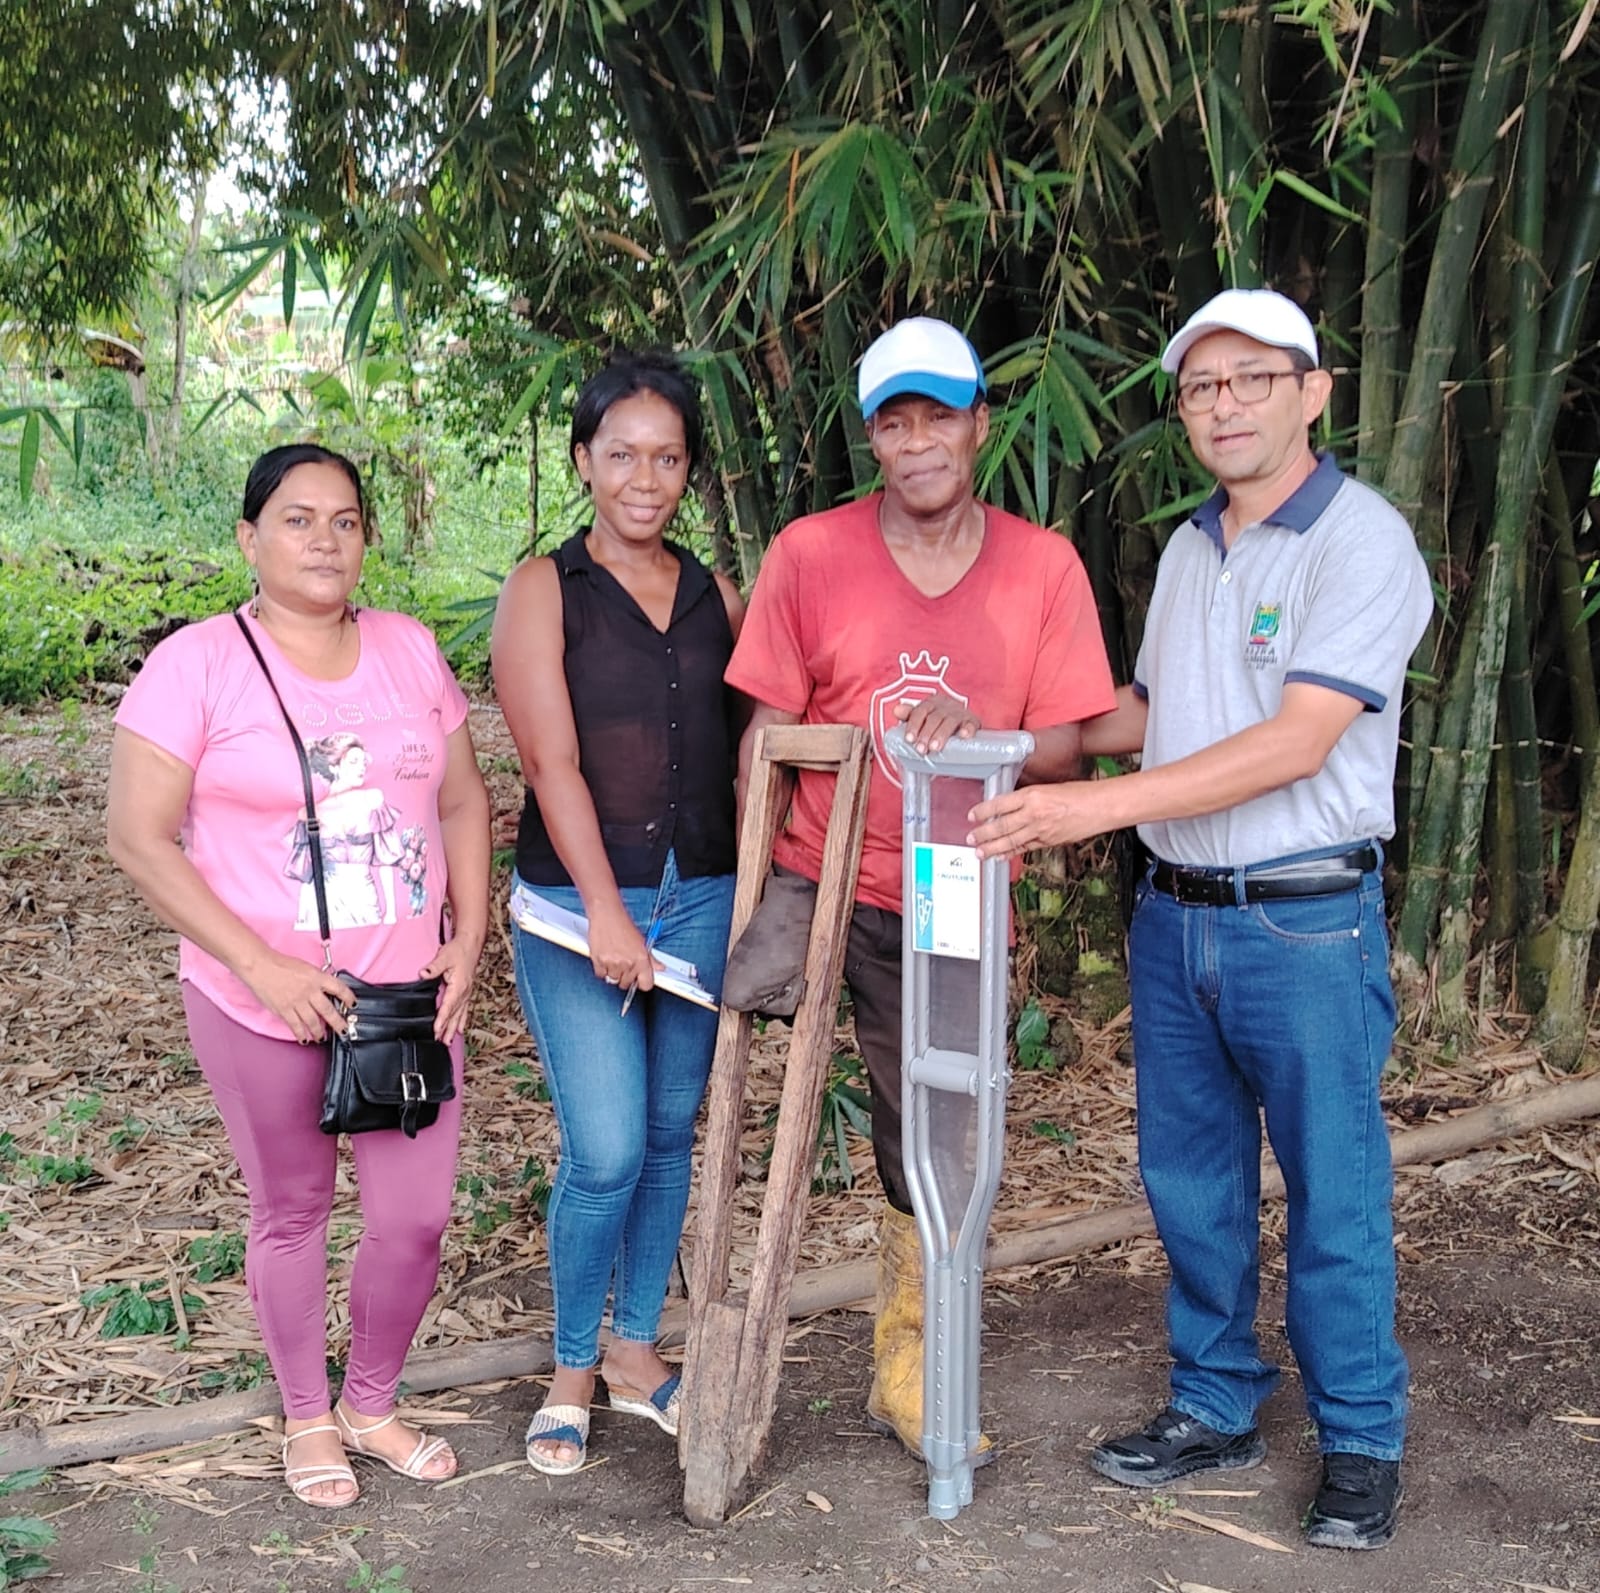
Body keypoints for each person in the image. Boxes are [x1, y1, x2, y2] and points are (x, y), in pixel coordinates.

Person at [968, 289, 1432, 1550]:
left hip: (1303, 920)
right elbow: (1151, 713)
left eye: (1251, 380)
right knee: (1190, 1181)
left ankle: (1359, 1437)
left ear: (1312, 392)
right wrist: (1008, 741)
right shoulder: (1189, 548)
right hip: (1176, 920)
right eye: (1200, 388)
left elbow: (1294, 742)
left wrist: (1088, 809)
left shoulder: (1362, 543)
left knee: (1333, 1187)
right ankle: (1216, 1400)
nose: (1224, 406)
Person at [723, 315, 1117, 1460]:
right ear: (872, 440)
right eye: (893, 424)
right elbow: (767, 736)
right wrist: (762, 864)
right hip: (817, 871)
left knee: (933, 1130)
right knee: (735, 1067)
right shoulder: (809, 553)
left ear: (979, 424)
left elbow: (1064, 747)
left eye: (937, 417)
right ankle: (704, 1333)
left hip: (948, 883)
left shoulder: (1040, 565)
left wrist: (978, 726)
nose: (917, 443)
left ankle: (909, 1363)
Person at [106, 443, 491, 1509]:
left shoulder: (409, 650)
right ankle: (308, 1414)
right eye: (297, 518)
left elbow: (463, 800)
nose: (325, 540)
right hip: (261, 1000)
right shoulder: (195, 665)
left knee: (414, 1218)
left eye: (345, 521)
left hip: (408, 1000)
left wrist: (469, 936)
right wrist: (259, 965)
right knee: (293, 1212)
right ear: (249, 537)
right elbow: (138, 837)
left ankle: (370, 1401)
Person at [492, 351, 745, 1476]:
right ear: (584, 460)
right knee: (603, 1148)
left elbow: (749, 746)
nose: (646, 478)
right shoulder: (544, 588)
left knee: (667, 1133)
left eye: (668, 457)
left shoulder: (714, 593)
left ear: (689, 469)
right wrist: (604, 911)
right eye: (623, 454)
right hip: (573, 907)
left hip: (701, 898)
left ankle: (637, 1348)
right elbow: (549, 761)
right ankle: (571, 1367)